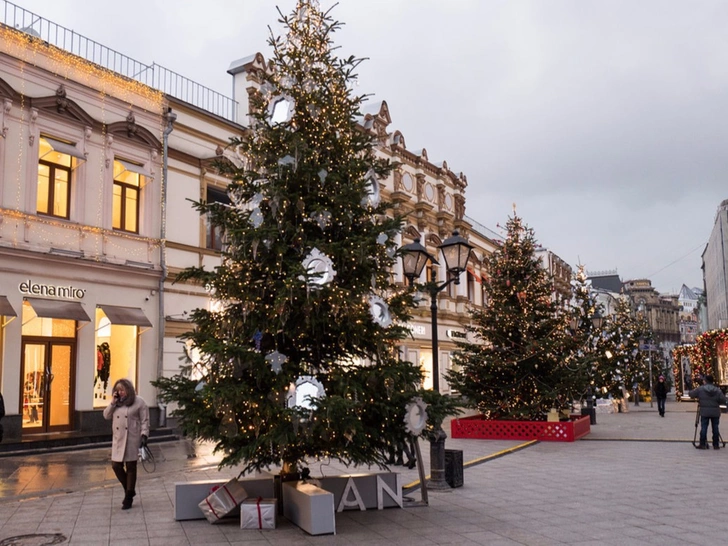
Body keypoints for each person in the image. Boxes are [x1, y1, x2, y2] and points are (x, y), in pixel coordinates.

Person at [103, 379, 149, 509]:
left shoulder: (139, 402)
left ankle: (128, 497)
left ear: (128, 390)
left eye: (123, 390)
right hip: (118, 439)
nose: (121, 393)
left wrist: (144, 435)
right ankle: (129, 489)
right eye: (118, 390)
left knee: (131, 467)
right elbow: (106, 415)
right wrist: (112, 402)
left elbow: (145, 420)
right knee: (116, 465)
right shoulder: (116, 403)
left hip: (132, 438)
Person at [689, 374, 726, 450]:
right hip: (715, 411)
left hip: (704, 412)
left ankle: (702, 443)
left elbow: (691, 394)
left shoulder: (701, 389)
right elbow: (723, 400)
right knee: (715, 427)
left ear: (705, 381)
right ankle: (716, 444)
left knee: (704, 427)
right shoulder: (717, 390)